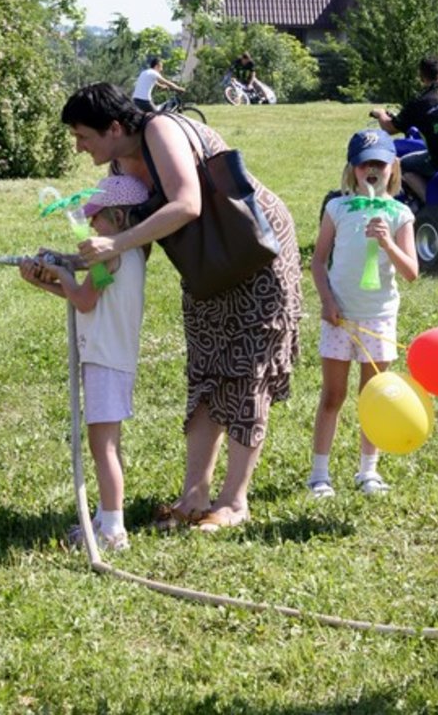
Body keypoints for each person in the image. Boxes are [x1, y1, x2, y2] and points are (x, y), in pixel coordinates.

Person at [60, 82, 302, 532]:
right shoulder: (119, 163)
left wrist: (116, 240)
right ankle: (194, 497)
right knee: (207, 365)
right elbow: (129, 242)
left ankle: (233, 502)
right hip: (205, 263)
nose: (79, 147)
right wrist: (73, 265)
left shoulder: (160, 131)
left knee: (248, 367)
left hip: (255, 251)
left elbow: (187, 204)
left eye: (83, 136)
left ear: (114, 127)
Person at [19, 174, 149, 552]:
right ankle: (106, 517)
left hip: (106, 359)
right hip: (109, 356)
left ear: (120, 219)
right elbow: (85, 294)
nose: (91, 224)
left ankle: (112, 532)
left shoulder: (113, 253)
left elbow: (85, 300)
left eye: (97, 217)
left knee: (102, 446)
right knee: (106, 444)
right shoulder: (127, 252)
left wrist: (59, 273)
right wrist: (46, 279)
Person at [308, 129, 418, 499]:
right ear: (352, 169)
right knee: (333, 395)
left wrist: (387, 242)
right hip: (340, 316)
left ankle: (367, 471)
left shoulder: (400, 214)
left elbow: (411, 272)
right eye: (364, 163)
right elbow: (319, 261)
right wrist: (327, 302)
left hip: (378, 317)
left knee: (373, 396)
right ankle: (319, 474)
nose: (372, 169)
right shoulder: (337, 209)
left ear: (393, 168)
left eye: (380, 163)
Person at [370, 55, 438, 200]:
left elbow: (390, 128)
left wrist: (380, 114)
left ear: (422, 77)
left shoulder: (419, 103)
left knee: (401, 165)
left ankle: (432, 209)